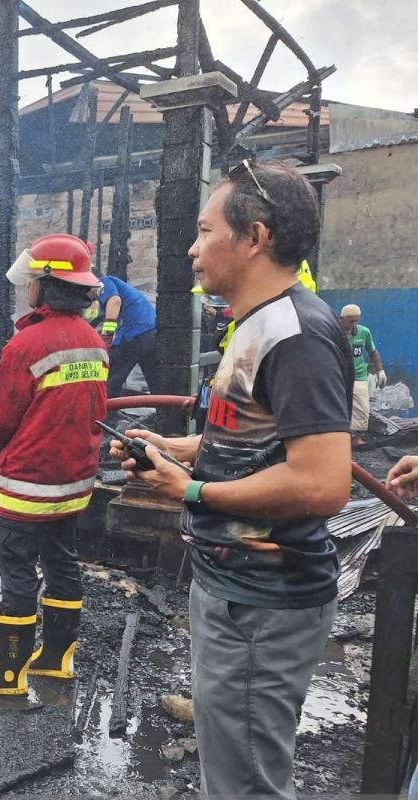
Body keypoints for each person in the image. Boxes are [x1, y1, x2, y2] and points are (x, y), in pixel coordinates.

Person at [110, 160, 352, 799]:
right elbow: (250, 441)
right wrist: (177, 447)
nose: (191, 247)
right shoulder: (255, 322)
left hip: (262, 599)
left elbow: (324, 484)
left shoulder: (295, 334)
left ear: (255, 237)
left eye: (204, 229)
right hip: (233, 582)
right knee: (233, 756)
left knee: (246, 782)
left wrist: (188, 490)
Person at [0, 234, 106, 696]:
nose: (27, 290)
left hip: (28, 487)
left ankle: (7, 675)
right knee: (62, 562)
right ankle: (56, 660)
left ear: (45, 284)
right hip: (74, 484)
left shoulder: (26, 345)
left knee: (17, 571)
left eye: (32, 282)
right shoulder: (92, 341)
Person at [97, 273, 157, 397]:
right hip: (151, 331)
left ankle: (107, 414)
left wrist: (106, 337)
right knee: (156, 381)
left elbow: (114, 301)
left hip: (134, 332)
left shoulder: (102, 281)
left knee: (111, 378)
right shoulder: (121, 286)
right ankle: (164, 413)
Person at [339, 303, 386, 445]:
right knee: (337, 406)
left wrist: (380, 371)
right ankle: (338, 438)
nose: (354, 324)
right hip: (338, 376)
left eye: (356, 321)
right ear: (341, 319)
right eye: (350, 321)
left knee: (362, 407)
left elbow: (372, 351)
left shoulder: (363, 332)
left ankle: (358, 437)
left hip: (358, 375)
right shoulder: (333, 333)